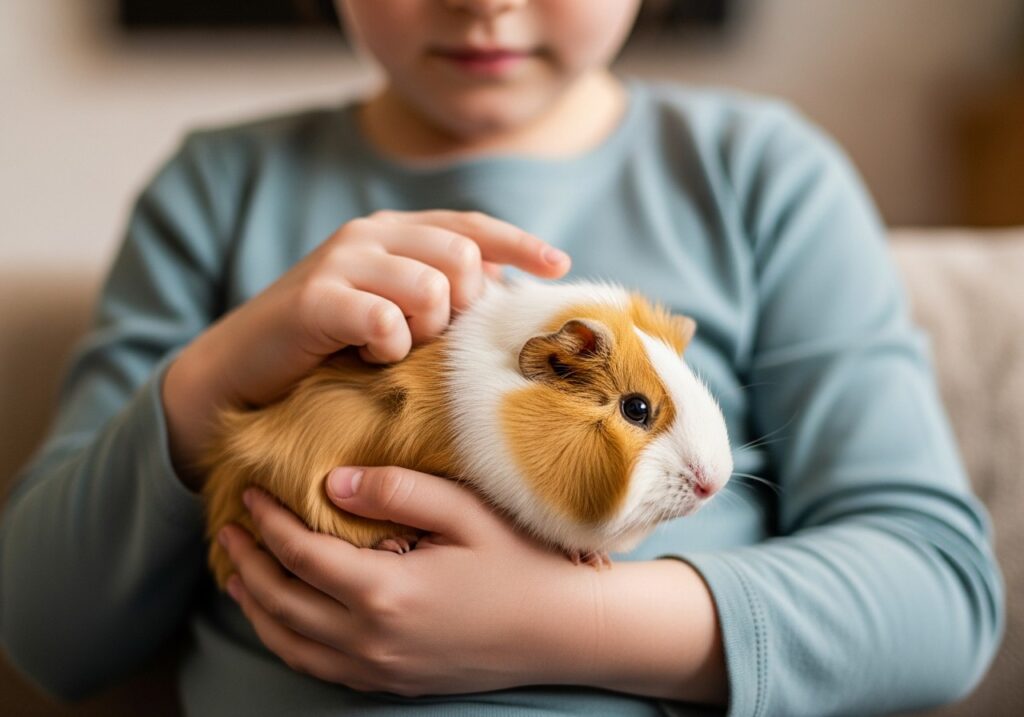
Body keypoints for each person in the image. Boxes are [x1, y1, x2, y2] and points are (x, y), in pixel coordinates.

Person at [0, 1, 1005, 715]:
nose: (483, 4)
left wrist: (566, 621)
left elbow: (939, 595)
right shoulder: (213, 194)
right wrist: (214, 375)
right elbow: (43, 635)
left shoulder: (764, 180)